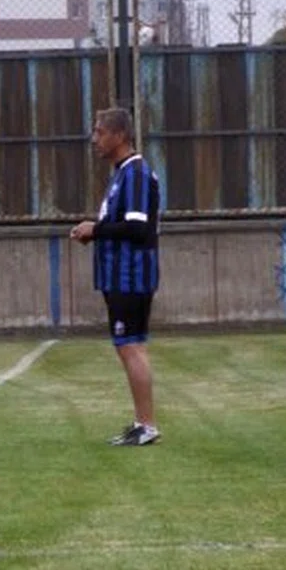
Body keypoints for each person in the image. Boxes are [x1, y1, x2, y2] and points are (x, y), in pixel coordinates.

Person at [71, 107, 162, 446]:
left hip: (130, 274)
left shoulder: (135, 173)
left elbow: (138, 228)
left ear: (120, 135)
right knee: (129, 347)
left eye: (100, 132)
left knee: (131, 346)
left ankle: (147, 426)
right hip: (118, 274)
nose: (94, 139)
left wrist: (95, 230)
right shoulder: (123, 173)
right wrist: (95, 233)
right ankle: (142, 423)